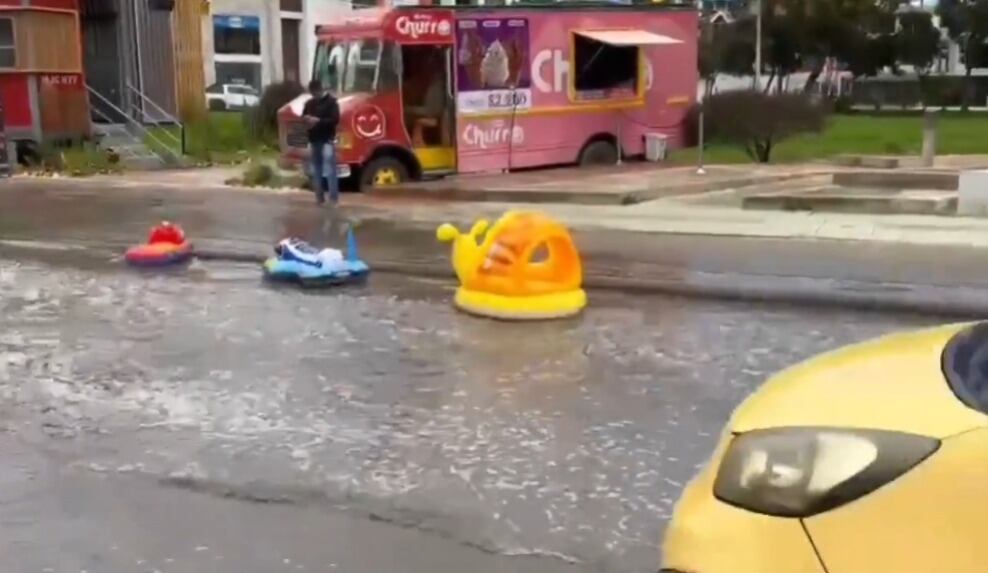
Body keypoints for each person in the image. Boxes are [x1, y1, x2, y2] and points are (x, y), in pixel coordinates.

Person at [302, 79, 340, 205]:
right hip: (314, 139)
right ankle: (319, 198)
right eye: (312, 94)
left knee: (329, 170)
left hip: (327, 139)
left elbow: (335, 120)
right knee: (317, 170)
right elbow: (303, 118)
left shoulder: (331, 102)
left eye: (315, 93)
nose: (314, 96)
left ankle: (333, 199)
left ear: (319, 90)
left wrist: (317, 120)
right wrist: (306, 120)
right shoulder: (309, 103)